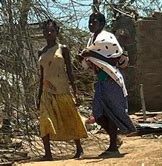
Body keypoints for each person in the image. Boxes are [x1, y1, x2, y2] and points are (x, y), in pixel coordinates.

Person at [79, 12, 136, 156]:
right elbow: (89, 60)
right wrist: (86, 56)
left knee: (111, 113)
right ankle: (114, 139)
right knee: (98, 114)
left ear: (102, 24)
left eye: (95, 21)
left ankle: (113, 147)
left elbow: (114, 59)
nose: (91, 24)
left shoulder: (107, 38)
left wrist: (90, 54)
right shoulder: (92, 40)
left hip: (111, 80)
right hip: (101, 81)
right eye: (90, 21)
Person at [37, 19, 88, 161]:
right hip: (47, 91)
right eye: (46, 30)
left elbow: (70, 72)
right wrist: (39, 95)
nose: (49, 33)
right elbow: (41, 75)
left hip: (62, 90)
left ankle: (79, 149)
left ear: (57, 32)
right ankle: (48, 154)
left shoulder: (63, 49)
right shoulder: (41, 51)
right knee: (45, 120)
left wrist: (75, 91)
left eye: (52, 31)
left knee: (70, 117)